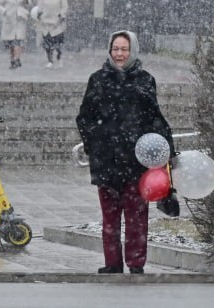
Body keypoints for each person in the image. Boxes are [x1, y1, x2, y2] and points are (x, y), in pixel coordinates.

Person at [75, 30, 175, 275]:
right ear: (110, 50)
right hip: (106, 161)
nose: (119, 54)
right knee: (109, 218)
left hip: (136, 162)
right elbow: (85, 118)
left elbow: (155, 119)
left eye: (124, 49)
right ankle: (112, 263)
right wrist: (94, 145)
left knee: (137, 216)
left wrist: (167, 151)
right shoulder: (98, 79)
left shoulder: (145, 80)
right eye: (116, 49)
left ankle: (136, 263)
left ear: (133, 51)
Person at [0, 0, 33, 70]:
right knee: (11, 43)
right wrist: (4, 11)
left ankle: (17, 59)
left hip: (20, 19)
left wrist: (26, 1)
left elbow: (29, 3)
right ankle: (12, 60)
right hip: (9, 20)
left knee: (18, 40)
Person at [35, 0, 70, 68]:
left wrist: (62, 15)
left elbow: (65, 6)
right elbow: (40, 6)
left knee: (57, 44)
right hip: (45, 23)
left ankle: (59, 58)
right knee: (47, 44)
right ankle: (50, 60)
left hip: (57, 23)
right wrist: (39, 14)